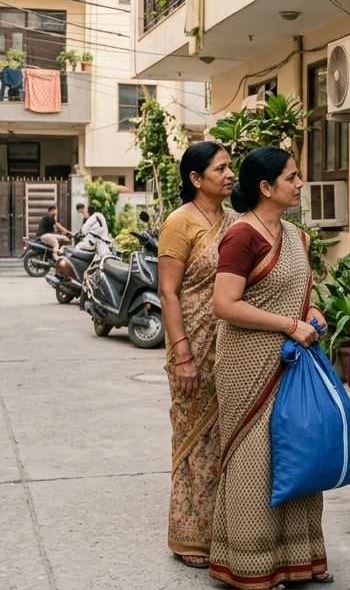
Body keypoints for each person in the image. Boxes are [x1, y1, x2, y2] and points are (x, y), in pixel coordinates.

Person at [211, 147, 330, 588]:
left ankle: (299, 559)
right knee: (255, 460)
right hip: (248, 363)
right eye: (292, 177)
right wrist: (288, 325)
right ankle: (252, 566)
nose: (300, 184)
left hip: (293, 363)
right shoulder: (242, 236)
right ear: (265, 187)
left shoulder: (296, 236)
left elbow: (300, 293)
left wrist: (312, 313)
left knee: (298, 452)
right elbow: (225, 304)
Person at [157, 142, 239, 568]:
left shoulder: (234, 220)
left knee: (227, 438)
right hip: (191, 342)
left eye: (229, 167)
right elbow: (168, 290)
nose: (229, 174)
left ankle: (225, 533)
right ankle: (189, 538)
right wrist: (182, 353)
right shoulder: (179, 223)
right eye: (220, 168)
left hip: (230, 344)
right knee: (193, 441)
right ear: (196, 178)